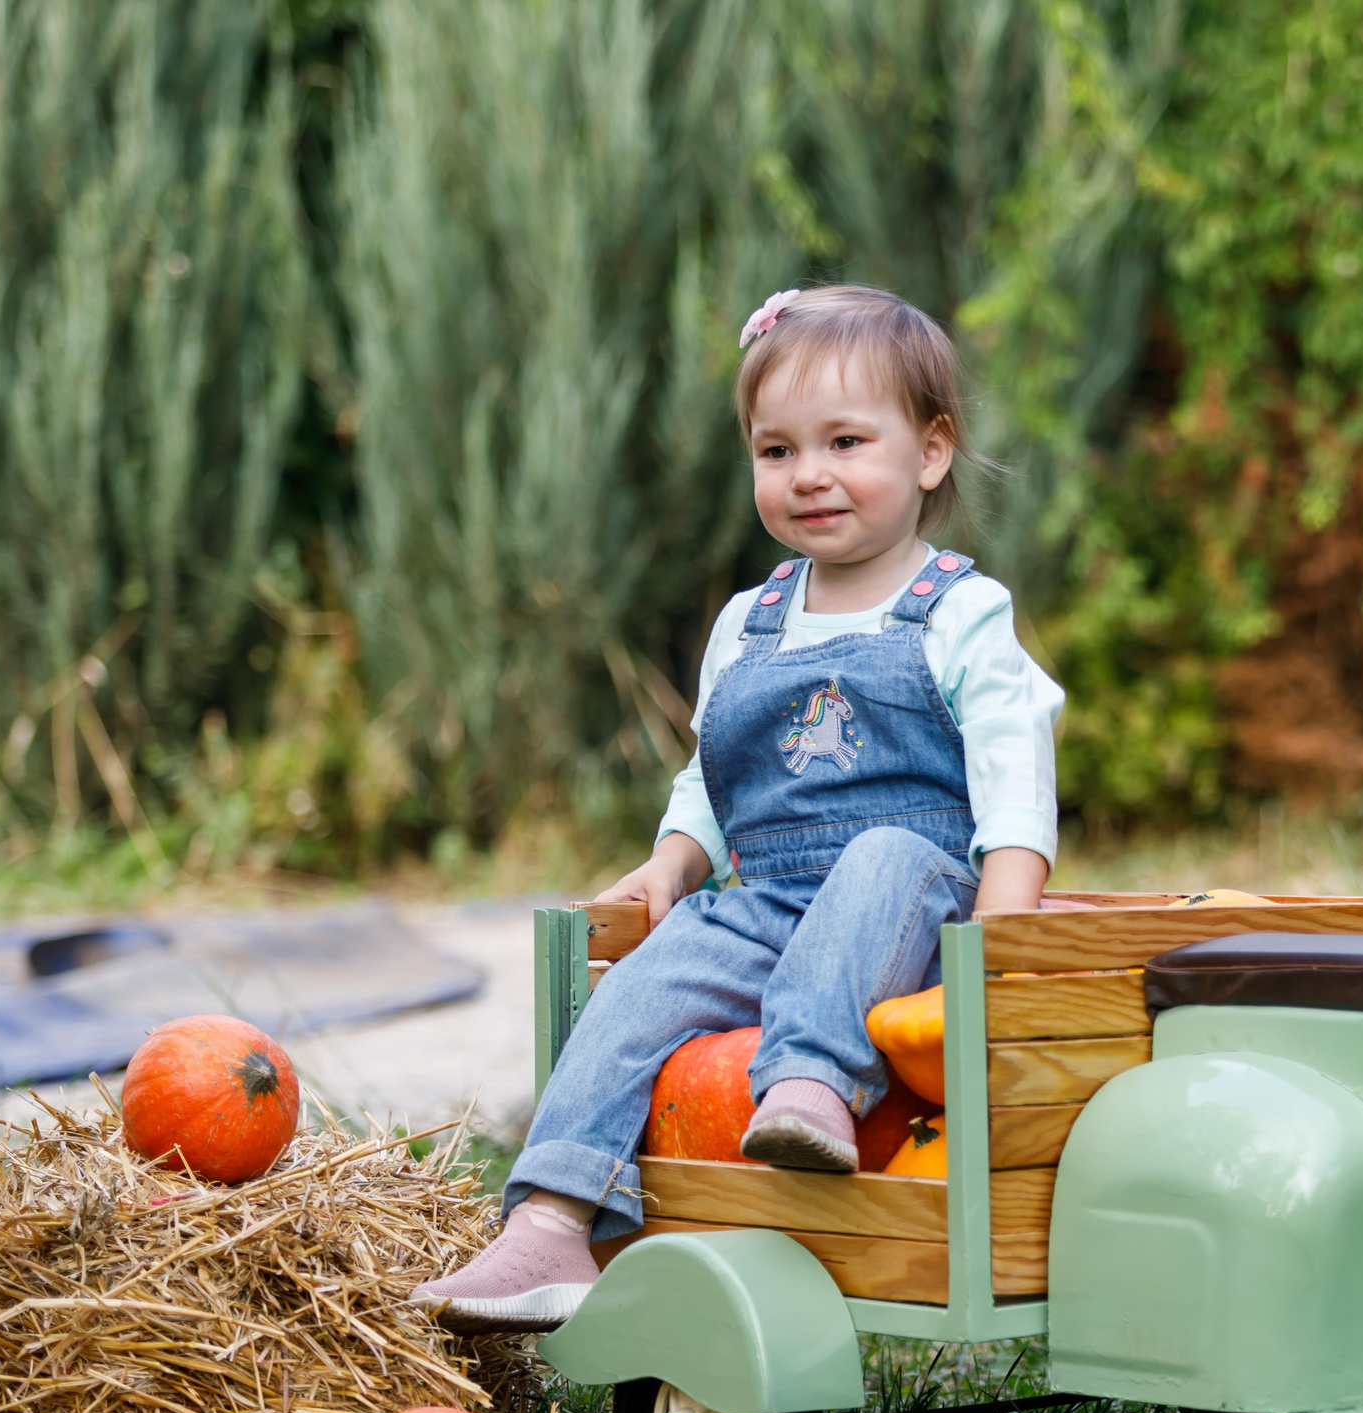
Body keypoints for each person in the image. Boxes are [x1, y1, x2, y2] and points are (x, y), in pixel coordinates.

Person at [413, 284, 1063, 1328]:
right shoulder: (748, 623)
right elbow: (711, 770)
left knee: (885, 854)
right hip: (773, 903)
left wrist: (1004, 935)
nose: (810, 475)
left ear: (930, 453)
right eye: (776, 451)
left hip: (920, 905)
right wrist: (674, 861)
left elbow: (1013, 773)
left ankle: (807, 1084)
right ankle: (548, 1220)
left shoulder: (960, 610)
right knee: (643, 980)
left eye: (846, 441)